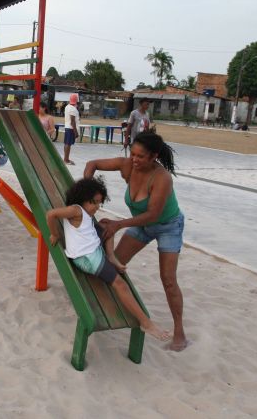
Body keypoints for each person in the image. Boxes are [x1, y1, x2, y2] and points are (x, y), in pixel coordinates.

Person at [83, 130, 188, 352]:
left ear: (154, 156)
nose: (135, 159)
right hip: (141, 225)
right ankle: (108, 309)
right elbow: (92, 164)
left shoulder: (162, 178)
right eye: (133, 153)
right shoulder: (127, 165)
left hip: (167, 225)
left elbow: (153, 214)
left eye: (141, 156)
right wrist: (86, 193)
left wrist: (118, 224)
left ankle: (179, 332)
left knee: (168, 280)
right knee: (112, 265)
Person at [46, 177, 171, 342]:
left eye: (99, 203)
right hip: (87, 258)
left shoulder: (85, 213)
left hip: (93, 251)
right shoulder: (76, 210)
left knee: (108, 227)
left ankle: (111, 256)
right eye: (93, 202)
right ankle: (146, 323)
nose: (97, 207)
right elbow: (51, 214)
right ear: (81, 199)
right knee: (120, 284)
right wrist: (55, 233)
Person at [63, 93, 80, 165]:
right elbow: (73, 121)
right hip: (71, 128)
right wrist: (75, 132)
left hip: (67, 127)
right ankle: (66, 160)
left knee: (66, 143)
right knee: (68, 144)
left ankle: (66, 158)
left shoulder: (67, 106)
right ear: (76, 100)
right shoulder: (73, 109)